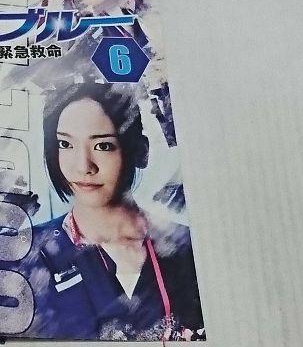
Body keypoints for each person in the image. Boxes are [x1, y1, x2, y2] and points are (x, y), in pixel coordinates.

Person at [22, 82, 205, 339]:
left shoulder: (188, 250)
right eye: (65, 144)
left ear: (141, 151)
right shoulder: (26, 253)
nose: (84, 166)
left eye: (103, 146)